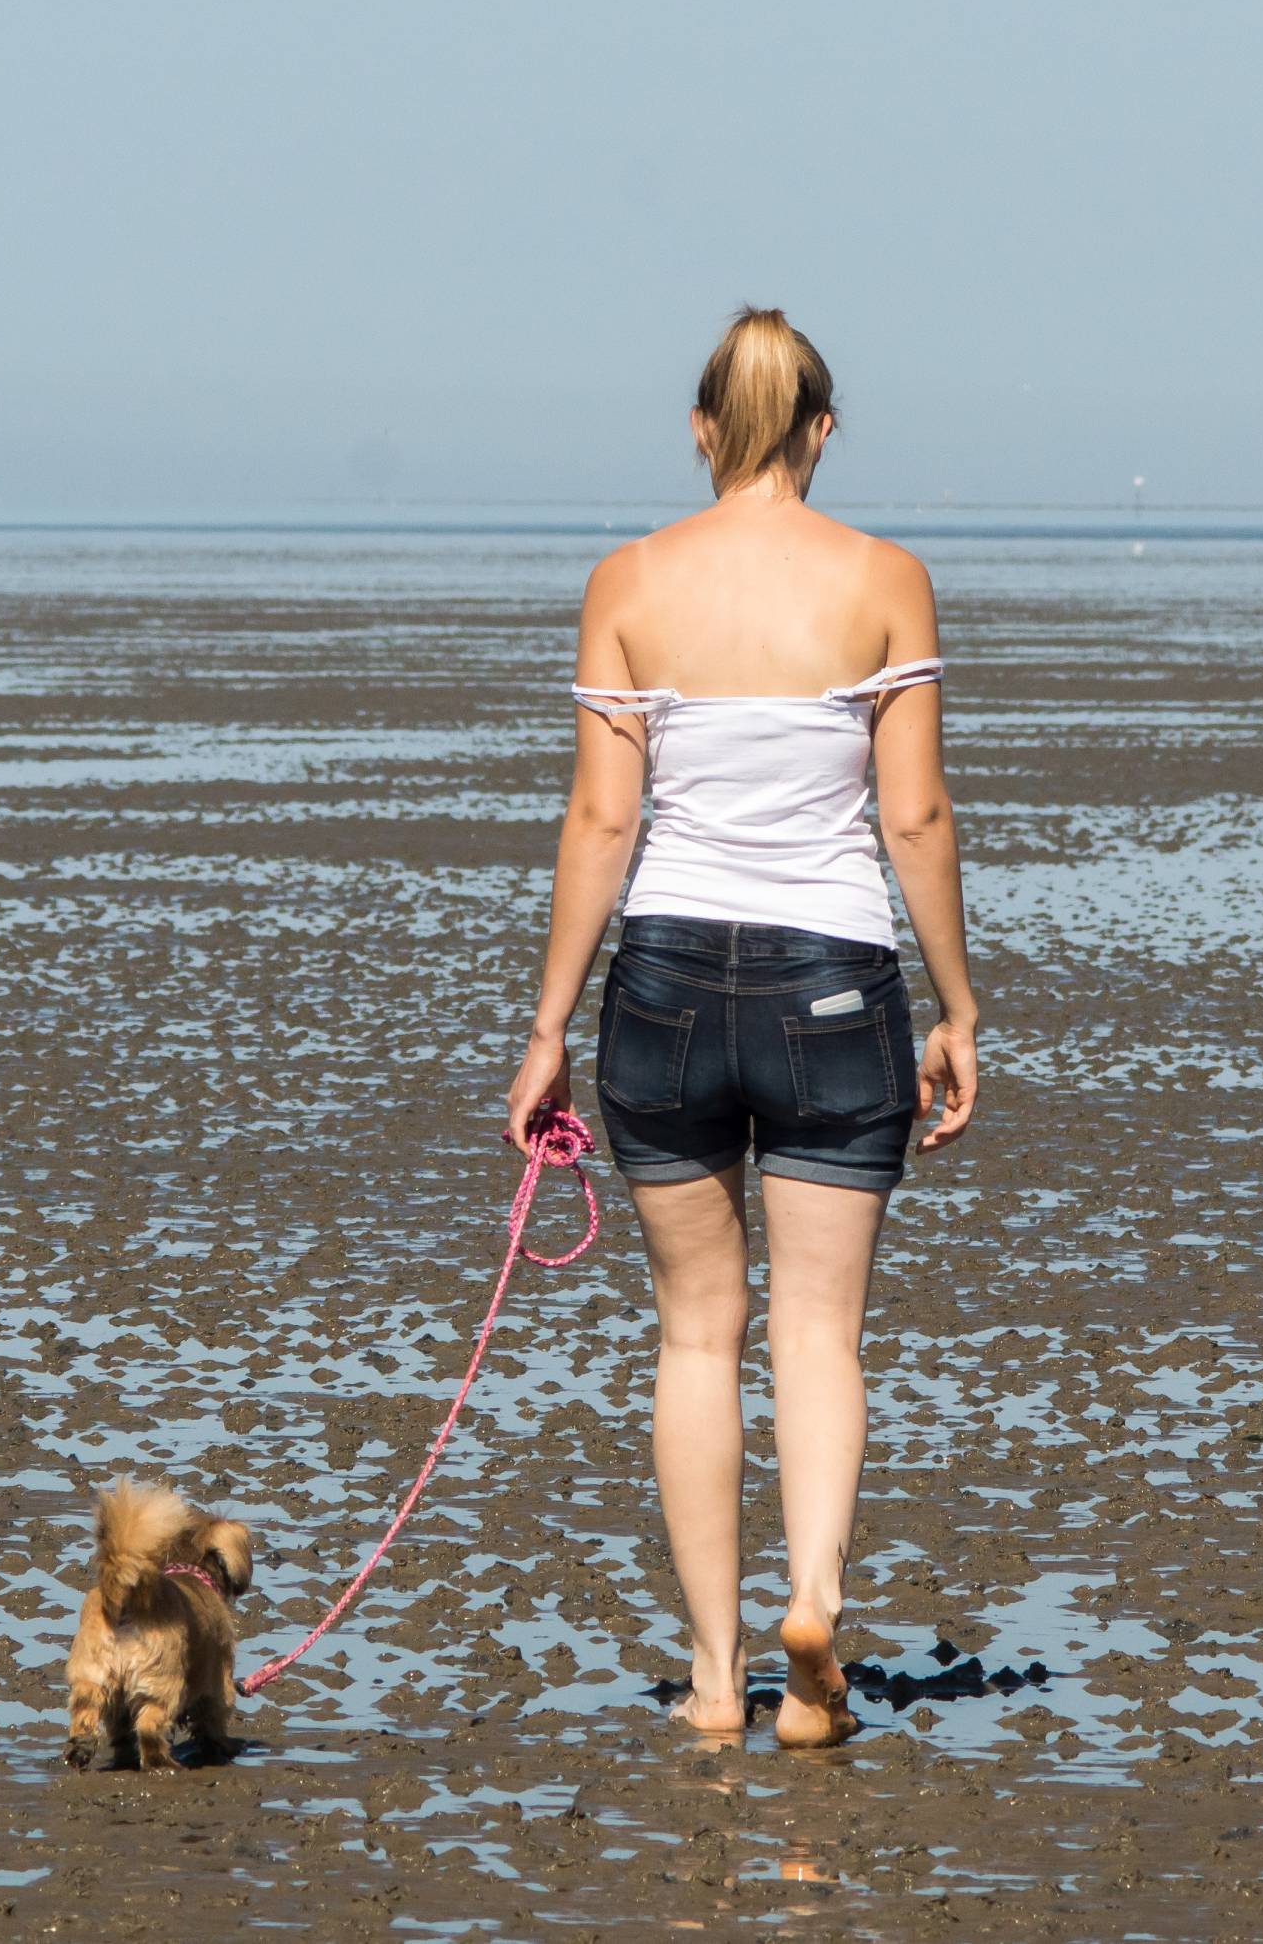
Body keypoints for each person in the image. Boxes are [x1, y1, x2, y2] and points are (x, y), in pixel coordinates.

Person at [501, 305, 981, 1749]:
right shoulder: (884, 577)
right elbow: (911, 813)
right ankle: (813, 1612)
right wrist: (957, 1007)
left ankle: (715, 1678)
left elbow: (601, 816)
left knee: (694, 1337)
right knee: (819, 1333)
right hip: (836, 980)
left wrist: (545, 1030)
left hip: (658, 982)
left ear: (701, 431)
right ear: (820, 430)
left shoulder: (629, 578)